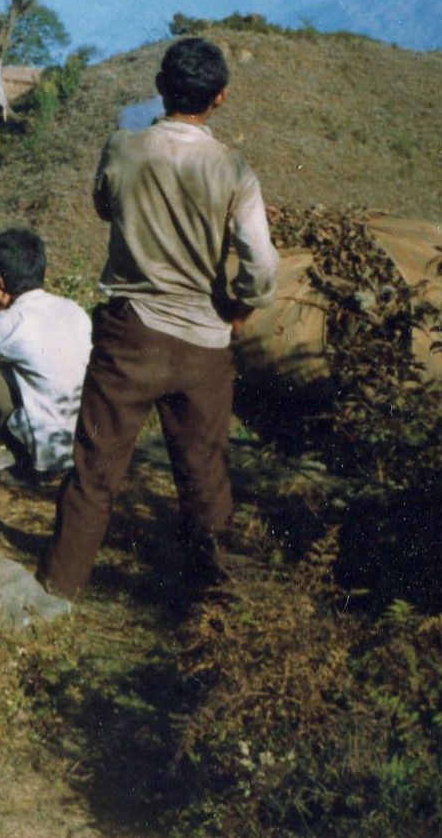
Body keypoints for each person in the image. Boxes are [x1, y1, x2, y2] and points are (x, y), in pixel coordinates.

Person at [39, 36, 279, 599]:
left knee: (95, 472)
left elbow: (105, 207)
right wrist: (239, 308)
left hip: (130, 336)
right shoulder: (233, 170)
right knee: (205, 478)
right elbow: (262, 265)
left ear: (159, 89)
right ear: (219, 98)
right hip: (204, 343)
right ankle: (216, 607)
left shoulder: (123, 149)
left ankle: (57, 592)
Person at [0, 227, 93, 483]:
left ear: (0, 280)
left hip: (47, 454)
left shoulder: (8, 322)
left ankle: (27, 461)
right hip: (83, 442)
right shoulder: (74, 309)